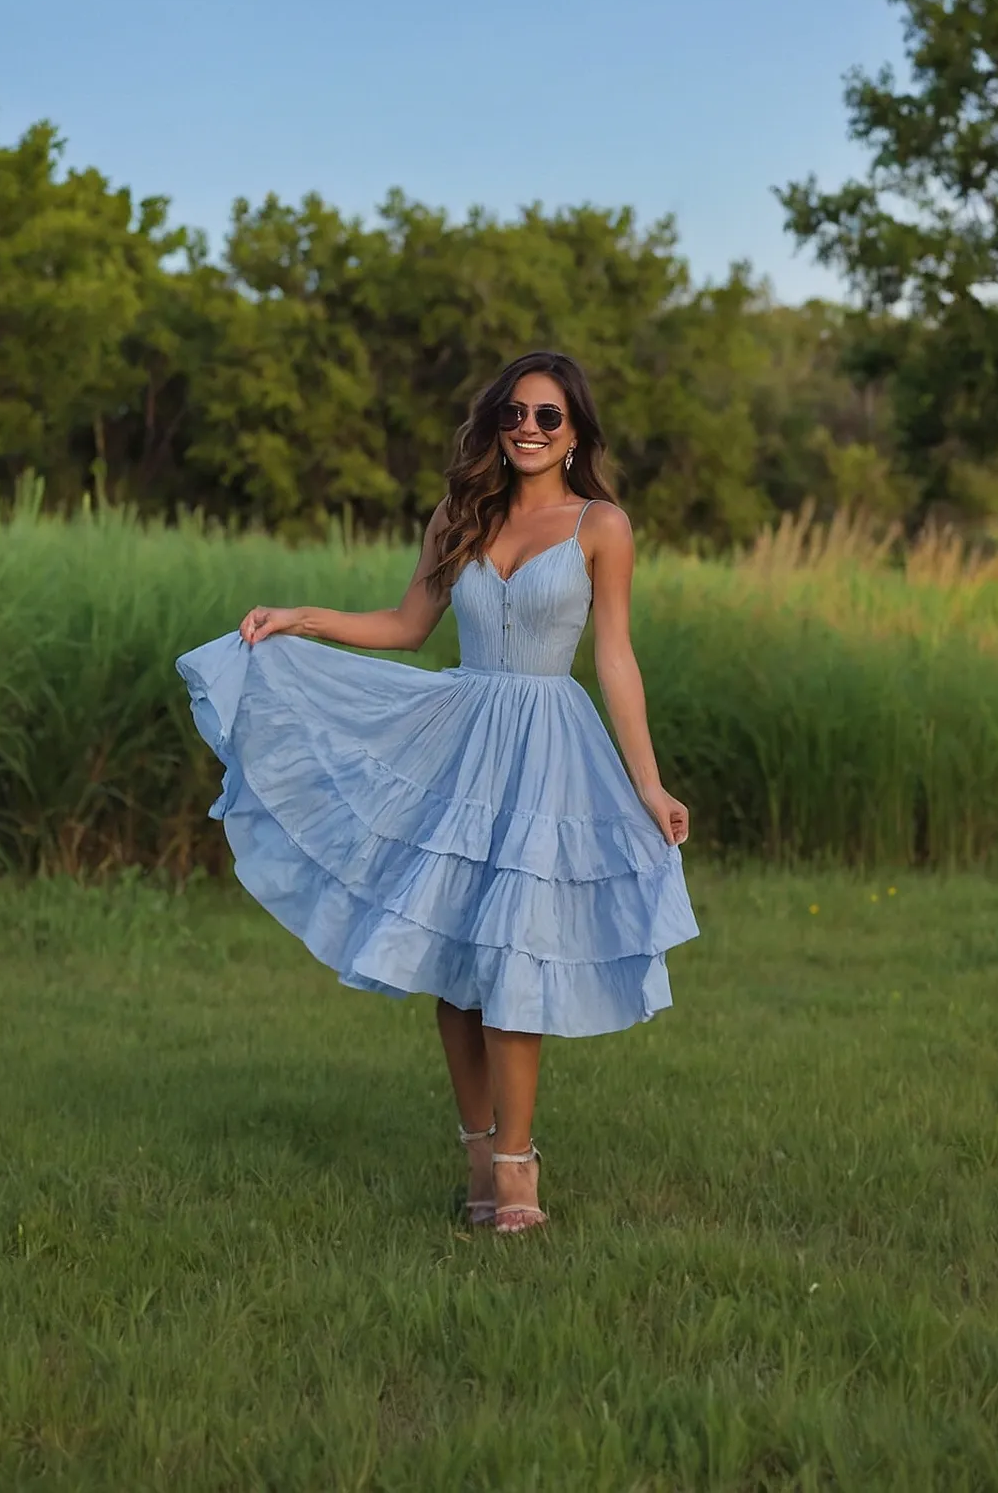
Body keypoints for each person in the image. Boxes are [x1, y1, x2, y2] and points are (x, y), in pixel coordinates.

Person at [176, 350, 699, 1234]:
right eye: (514, 415)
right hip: (459, 738)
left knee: (514, 954)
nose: (528, 430)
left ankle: (517, 1166)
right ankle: (476, 1152)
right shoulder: (459, 514)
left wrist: (646, 782)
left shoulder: (600, 526)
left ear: (575, 433)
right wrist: (295, 618)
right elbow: (407, 625)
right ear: (495, 425)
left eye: (548, 417)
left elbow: (615, 656)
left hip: (546, 749)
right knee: (454, 962)